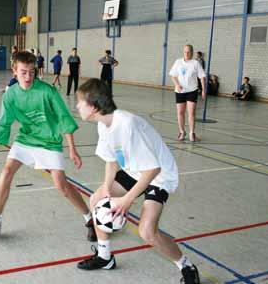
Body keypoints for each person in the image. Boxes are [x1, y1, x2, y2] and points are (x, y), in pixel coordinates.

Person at [75, 79, 201, 284]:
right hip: (134, 169)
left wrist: (126, 200)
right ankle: (105, 257)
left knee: (147, 232)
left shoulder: (126, 124)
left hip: (159, 175)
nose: (78, 105)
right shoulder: (103, 125)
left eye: (81, 102)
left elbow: (153, 169)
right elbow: (111, 160)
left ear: (95, 106)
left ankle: (186, 266)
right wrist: (107, 188)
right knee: (97, 199)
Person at [0, 51, 97, 242]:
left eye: (32, 72)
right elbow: (3, 124)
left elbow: (63, 117)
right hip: (27, 138)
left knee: (61, 186)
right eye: (23, 72)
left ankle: (90, 219)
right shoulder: (11, 95)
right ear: (14, 71)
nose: (28, 76)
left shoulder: (47, 91)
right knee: (6, 171)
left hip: (50, 140)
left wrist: (72, 148)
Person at [169, 44, 206, 142]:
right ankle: (182, 131)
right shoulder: (178, 62)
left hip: (192, 91)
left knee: (191, 113)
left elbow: (202, 77)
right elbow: (173, 75)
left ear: (192, 52)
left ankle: (192, 133)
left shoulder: (196, 63)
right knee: (180, 112)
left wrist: (203, 90)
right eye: (185, 51)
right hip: (180, 91)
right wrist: (177, 84)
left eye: (189, 51)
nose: (187, 53)